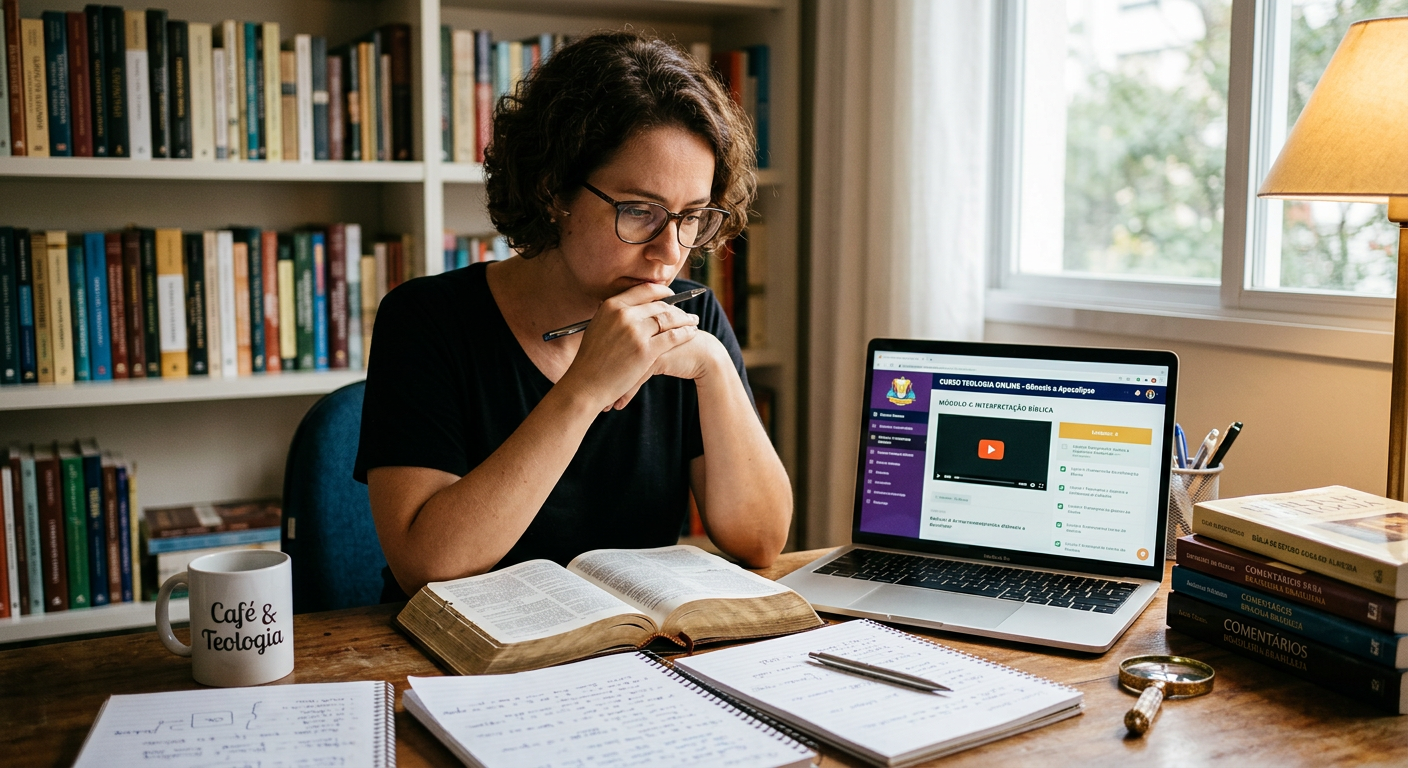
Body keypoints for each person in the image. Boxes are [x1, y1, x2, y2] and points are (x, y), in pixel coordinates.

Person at [353, 31, 791, 600]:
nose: (670, 251)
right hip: (461, 660)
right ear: (551, 190)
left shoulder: (692, 315)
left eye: (691, 217)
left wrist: (712, 365)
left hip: (628, 653)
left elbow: (760, 542)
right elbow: (426, 566)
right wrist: (583, 389)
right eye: (639, 211)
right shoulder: (425, 320)